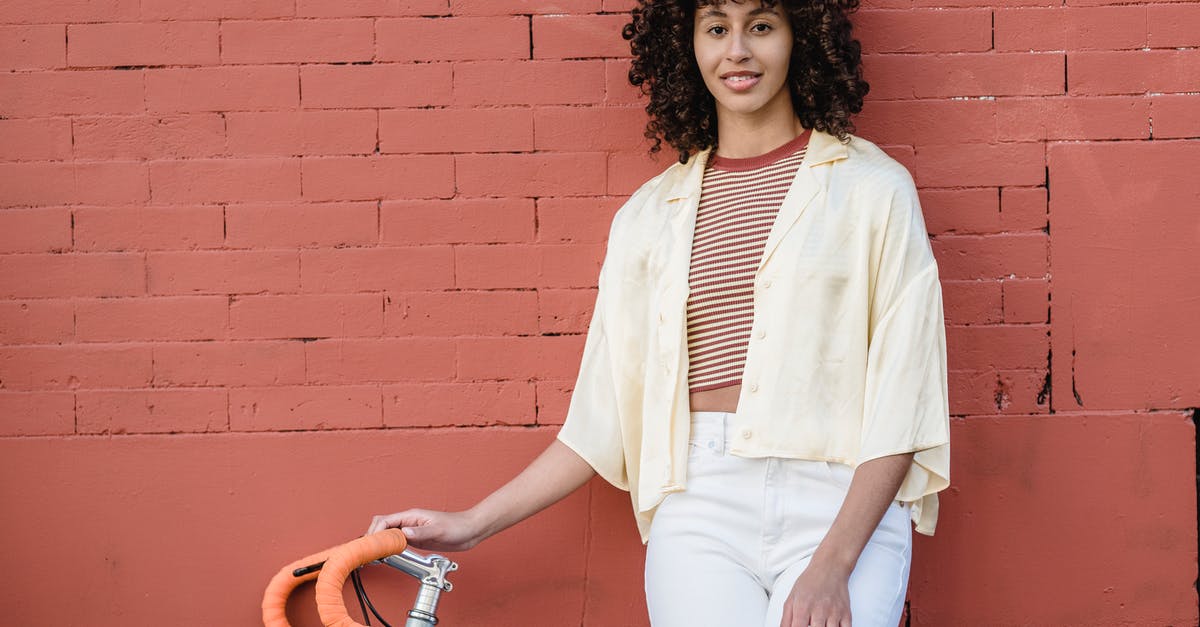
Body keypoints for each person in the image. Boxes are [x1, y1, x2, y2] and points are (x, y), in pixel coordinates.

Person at [367, 0, 950, 624]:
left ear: (800, 38)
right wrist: (472, 525)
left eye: (761, 26)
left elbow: (903, 396)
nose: (738, 51)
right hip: (699, 502)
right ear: (687, 47)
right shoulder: (648, 217)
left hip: (837, 496)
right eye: (716, 29)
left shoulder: (872, 189)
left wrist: (833, 566)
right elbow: (602, 419)